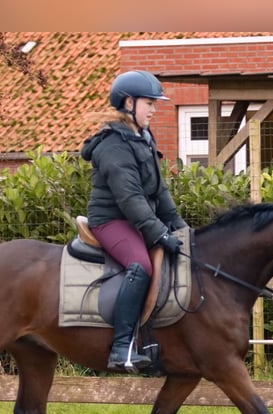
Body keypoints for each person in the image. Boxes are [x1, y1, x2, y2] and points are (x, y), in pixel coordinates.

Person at [81, 70, 187, 372]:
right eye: (150, 103)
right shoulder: (113, 145)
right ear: (129, 102)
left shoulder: (143, 137)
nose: (154, 109)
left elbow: (158, 192)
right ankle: (121, 349)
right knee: (141, 267)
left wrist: (180, 228)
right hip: (111, 221)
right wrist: (158, 233)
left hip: (136, 218)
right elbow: (130, 199)